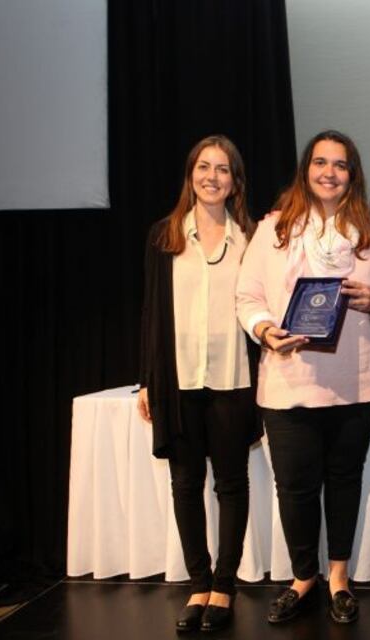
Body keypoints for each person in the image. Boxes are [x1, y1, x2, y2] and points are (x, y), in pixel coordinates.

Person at [236, 130, 370, 625]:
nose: (330, 172)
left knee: (345, 480)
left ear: (353, 175)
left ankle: (339, 578)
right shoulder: (273, 230)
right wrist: (266, 331)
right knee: (295, 487)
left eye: (340, 165)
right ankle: (303, 576)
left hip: (357, 381)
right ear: (306, 170)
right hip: (289, 381)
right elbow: (248, 296)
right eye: (321, 162)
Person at [137, 134, 260, 633]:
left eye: (223, 169)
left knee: (231, 482)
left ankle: (225, 586)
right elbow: (150, 312)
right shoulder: (164, 235)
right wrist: (147, 381)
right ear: (191, 175)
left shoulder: (251, 237)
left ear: (235, 181)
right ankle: (199, 584)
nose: (212, 177)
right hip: (178, 380)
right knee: (185, 484)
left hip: (234, 379)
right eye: (204, 167)